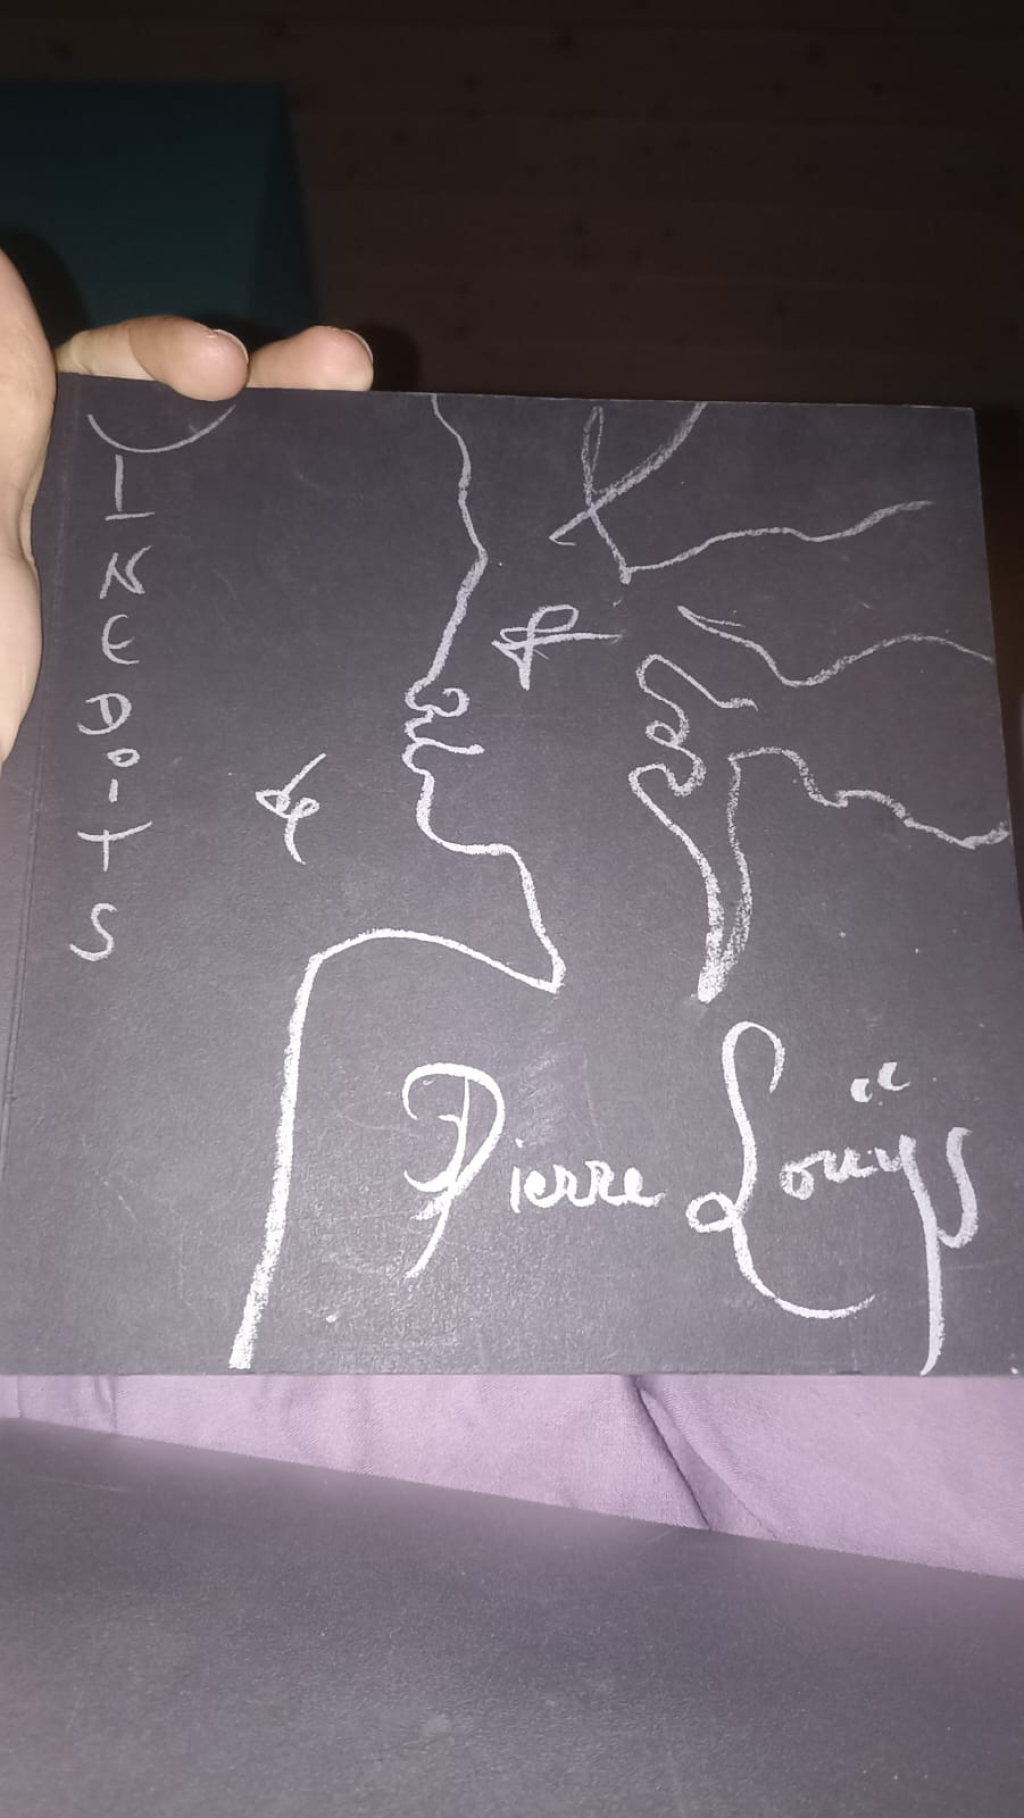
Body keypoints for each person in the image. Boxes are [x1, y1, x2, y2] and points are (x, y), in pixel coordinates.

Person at [1, 247, 1022, 1578]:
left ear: (664, 725)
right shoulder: (390, 1000)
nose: (433, 693)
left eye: (515, 651)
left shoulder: (865, 1047)